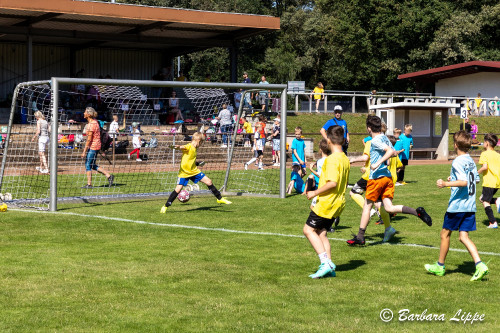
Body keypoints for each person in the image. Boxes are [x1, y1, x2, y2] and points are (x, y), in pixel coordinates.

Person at [347, 115, 432, 246]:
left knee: (367, 207)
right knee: (389, 208)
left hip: (376, 178)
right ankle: (417, 212)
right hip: (387, 178)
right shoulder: (384, 138)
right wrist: (353, 160)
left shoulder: (375, 141)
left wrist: (377, 163)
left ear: (369, 128)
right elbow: (391, 151)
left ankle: (360, 236)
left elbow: (389, 151)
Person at [425, 130, 489, 281]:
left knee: (445, 234)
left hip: (457, 206)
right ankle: (480, 265)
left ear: (455, 145)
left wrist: (446, 183)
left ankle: (440, 266)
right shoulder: (470, 161)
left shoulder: (458, 161)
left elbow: (465, 182)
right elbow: (474, 181)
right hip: (470, 206)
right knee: (463, 237)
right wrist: (453, 178)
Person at [303, 125, 350, 278]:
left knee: (308, 230)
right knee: (322, 234)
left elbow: (332, 183)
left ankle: (325, 263)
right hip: (338, 203)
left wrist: (314, 193)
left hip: (327, 202)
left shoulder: (331, 160)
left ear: (328, 140)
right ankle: (329, 268)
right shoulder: (344, 158)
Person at [160, 132, 232, 213]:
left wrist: (198, 163)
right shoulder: (189, 146)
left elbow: (190, 160)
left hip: (194, 171)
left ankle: (220, 199)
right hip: (184, 173)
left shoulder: (195, 148)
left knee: (209, 181)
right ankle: (166, 205)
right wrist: (177, 147)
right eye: (201, 142)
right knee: (178, 189)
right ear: (198, 140)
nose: (201, 144)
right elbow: (183, 147)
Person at [80, 107, 114, 189]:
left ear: (88, 114)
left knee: (88, 164)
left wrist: (84, 151)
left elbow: (88, 140)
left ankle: (89, 184)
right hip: (96, 146)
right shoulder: (95, 122)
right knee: (92, 165)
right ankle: (109, 176)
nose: (83, 113)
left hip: (93, 146)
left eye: (85, 112)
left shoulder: (91, 124)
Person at [477, 134, 500, 229]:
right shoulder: (498, 155)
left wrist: (476, 173)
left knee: (485, 201)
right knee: (482, 198)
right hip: (497, 182)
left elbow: (485, 166)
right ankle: (496, 200)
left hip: (489, 182)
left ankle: (493, 222)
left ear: (486, 143)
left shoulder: (484, 154)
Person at [304, 138, 331, 203]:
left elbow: (320, 175)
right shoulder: (330, 159)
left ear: (321, 149)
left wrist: (311, 169)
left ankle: (307, 192)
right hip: (328, 184)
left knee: (313, 207)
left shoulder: (321, 161)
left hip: (321, 186)